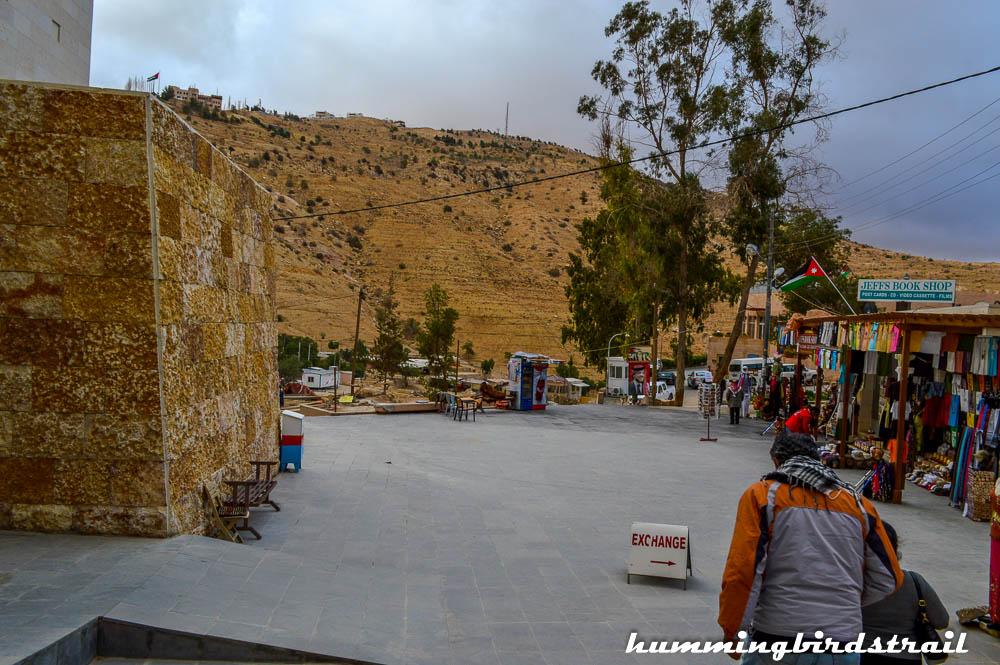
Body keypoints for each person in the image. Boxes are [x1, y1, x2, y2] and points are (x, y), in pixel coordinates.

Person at [719, 432, 902, 664]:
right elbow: (888, 578)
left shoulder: (763, 495)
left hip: (777, 639)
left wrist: (733, 632)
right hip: (841, 645)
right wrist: (843, 600)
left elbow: (743, 571)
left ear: (777, 461)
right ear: (817, 460)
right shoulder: (859, 505)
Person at [860, 521, 948, 664]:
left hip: (863, 656)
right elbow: (941, 621)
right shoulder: (915, 582)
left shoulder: (854, 584)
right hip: (906, 658)